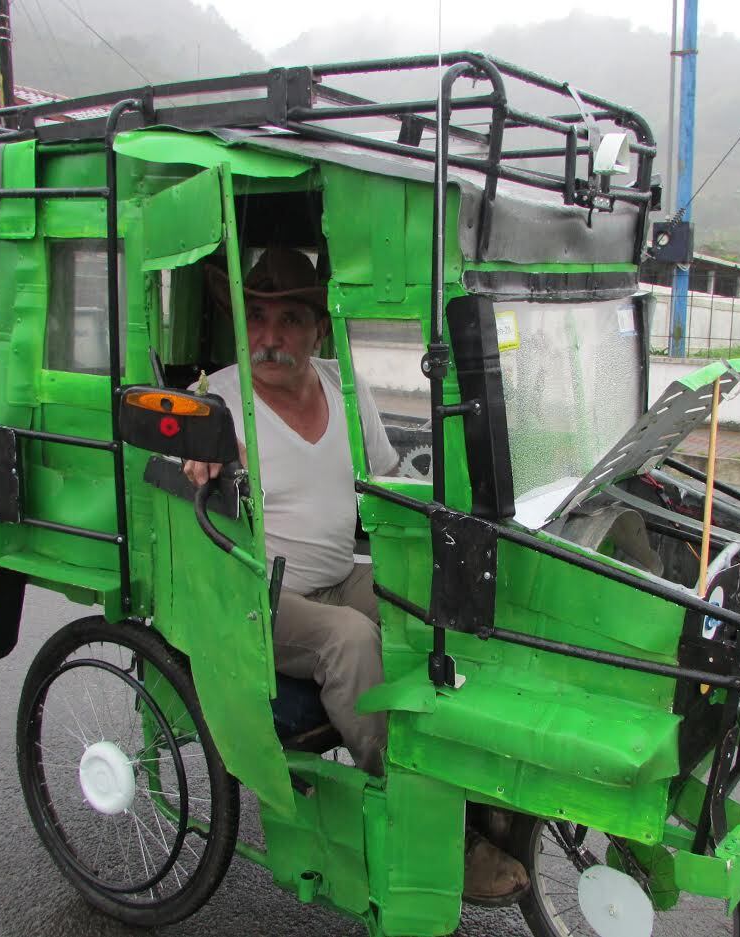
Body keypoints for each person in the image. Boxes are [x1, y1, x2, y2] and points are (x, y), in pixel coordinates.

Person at [182, 247, 528, 905]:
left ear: (317, 327)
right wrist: (196, 457)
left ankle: (467, 769)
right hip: (260, 596)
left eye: (289, 320)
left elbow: (388, 475)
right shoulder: (219, 399)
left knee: (441, 591)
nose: (270, 337)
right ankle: (418, 813)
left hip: (340, 573)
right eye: (256, 318)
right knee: (350, 638)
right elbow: (181, 453)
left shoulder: (346, 388)